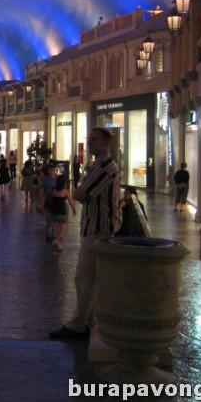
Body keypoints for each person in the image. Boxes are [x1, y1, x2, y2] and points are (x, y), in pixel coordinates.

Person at [50, 128, 121, 340]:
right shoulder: (95, 166)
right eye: (89, 140)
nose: (90, 143)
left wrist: (80, 189)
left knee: (84, 276)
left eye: (94, 140)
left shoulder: (106, 168)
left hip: (99, 229)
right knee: (89, 277)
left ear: (106, 144)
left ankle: (79, 324)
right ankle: (88, 321)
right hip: (92, 226)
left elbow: (81, 193)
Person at [48, 175, 77, 252]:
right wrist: (74, 209)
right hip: (62, 212)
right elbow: (71, 201)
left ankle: (59, 247)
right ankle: (56, 240)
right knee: (64, 230)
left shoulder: (53, 190)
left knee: (58, 230)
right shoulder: (65, 191)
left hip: (53, 212)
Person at [36, 163, 58, 242]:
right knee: (49, 218)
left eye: (53, 170)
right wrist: (40, 201)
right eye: (50, 170)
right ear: (48, 171)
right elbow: (41, 191)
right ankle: (49, 234)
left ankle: (52, 232)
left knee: (54, 218)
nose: (52, 172)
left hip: (56, 201)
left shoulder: (57, 179)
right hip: (47, 201)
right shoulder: (45, 180)